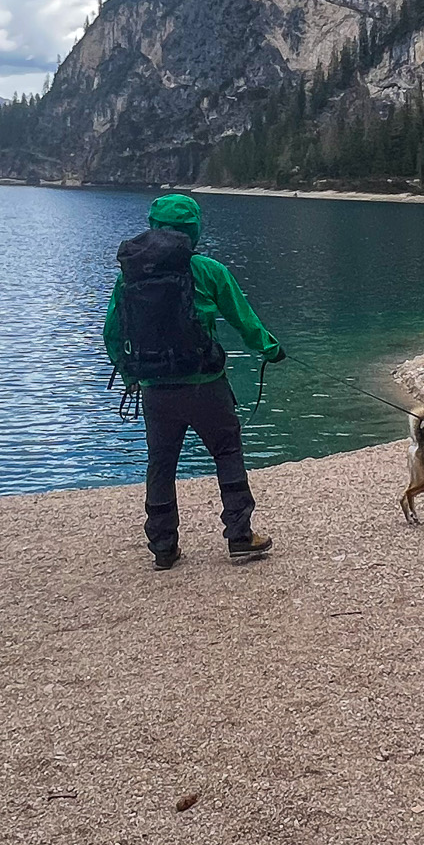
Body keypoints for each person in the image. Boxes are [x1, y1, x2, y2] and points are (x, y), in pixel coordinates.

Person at [103, 192, 284, 570]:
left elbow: (112, 334)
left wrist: (130, 373)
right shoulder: (208, 270)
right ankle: (239, 537)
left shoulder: (130, 278)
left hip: (155, 389)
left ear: (153, 227)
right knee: (227, 453)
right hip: (206, 384)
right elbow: (244, 321)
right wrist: (271, 349)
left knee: (161, 463)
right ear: (194, 230)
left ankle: (163, 547)